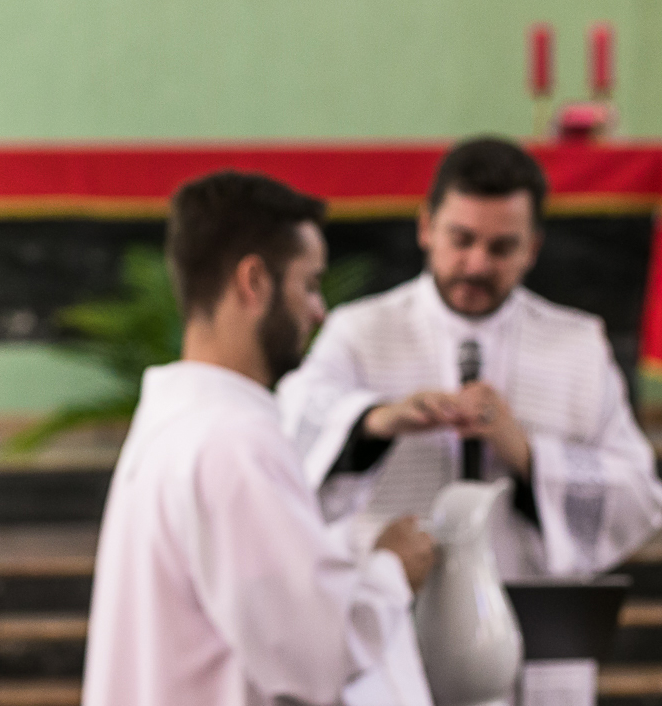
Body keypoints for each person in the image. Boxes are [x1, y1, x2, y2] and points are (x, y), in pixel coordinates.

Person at [81, 172, 437, 706]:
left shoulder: (176, 420)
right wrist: (392, 571)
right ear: (254, 281)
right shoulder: (234, 440)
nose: (319, 311)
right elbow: (314, 660)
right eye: (309, 284)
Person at [277, 137, 662, 578]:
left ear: (532, 248)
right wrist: (376, 420)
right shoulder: (359, 330)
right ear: (426, 228)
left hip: (529, 611)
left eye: (501, 248)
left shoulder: (578, 344)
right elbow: (291, 423)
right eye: (461, 240)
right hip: (390, 613)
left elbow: (639, 494)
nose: (477, 264)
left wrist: (529, 457)